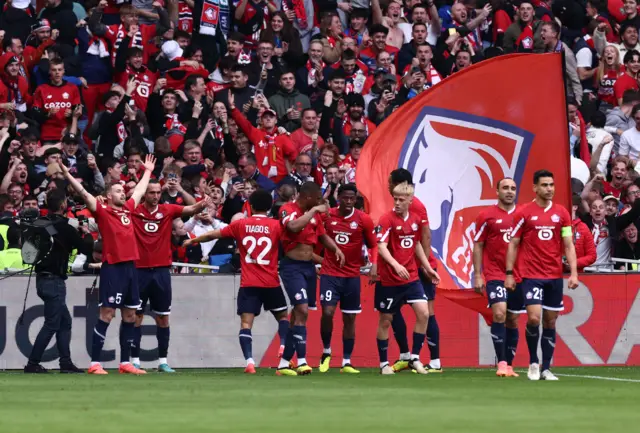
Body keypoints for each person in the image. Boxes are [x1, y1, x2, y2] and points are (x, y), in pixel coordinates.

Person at [60, 155, 156, 375]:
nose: (123, 193)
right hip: (113, 267)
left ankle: (125, 362)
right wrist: (67, 175)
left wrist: (148, 171)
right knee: (107, 314)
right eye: (118, 191)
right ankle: (95, 363)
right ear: (108, 196)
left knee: (130, 315)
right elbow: (84, 194)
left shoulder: (128, 210)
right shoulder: (103, 211)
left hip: (131, 267)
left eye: (123, 191)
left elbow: (140, 191)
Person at [184, 189, 289, 374]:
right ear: (270, 206)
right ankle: (283, 349)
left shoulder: (240, 225)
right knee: (282, 317)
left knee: (246, 324)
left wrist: (193, 240)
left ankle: (249, 362)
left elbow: (212, 235)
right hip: (271, 281)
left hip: (249, 283)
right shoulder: (276, 226)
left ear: (250, 206)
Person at [129, 180, 212, 372]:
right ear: (145, 194)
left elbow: (190, 209)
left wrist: (203, 202)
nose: (156, 196)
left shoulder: (167, 209)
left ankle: (162, 361)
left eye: (158, 192)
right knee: (136, 317)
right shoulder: (134, 211)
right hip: (139, 270)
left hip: (161, 271)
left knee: (163, 318)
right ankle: (134, 360)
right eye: (151, 193)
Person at [505, 169, 579, 381]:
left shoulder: (562, 214)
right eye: (545, 185)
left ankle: (546, 368)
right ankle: (533, 363)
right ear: (535, 188)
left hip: (554, 276)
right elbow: (513, 243)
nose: (549, 189)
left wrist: (573, 273)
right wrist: (509, 273)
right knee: (534, 318)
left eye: (551, 185)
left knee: (550, 321)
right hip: (531, 275)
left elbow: (568, 244)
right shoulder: (524, 212)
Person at [276, 181, 345, 376]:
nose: (320, 203)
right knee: (302, 310)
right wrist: (314, 209)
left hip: (308, 268)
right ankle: (302, 361)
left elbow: (322, 236)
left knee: (298, 316)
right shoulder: (288, 209)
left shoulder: (314, 217)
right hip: (292, 267)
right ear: (308, 198)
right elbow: (293, 226)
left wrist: (336, 249)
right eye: (316, 199)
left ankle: (283, 363)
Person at [25, 189, 94, 373]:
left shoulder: (39, 223)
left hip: (41, 278)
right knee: (52, 323)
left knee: (64, 322)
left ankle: (65, 363)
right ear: (63, 205)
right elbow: (86, 248)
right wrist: (86, 233)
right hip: (55, 281)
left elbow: (28, 252)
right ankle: (33, 363)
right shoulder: (66, 227)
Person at [375, 182, 438, 375]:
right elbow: (381, 246)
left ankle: (415, 358)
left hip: (411, 277)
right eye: (395, 199)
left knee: (424, 313)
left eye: (402, 199)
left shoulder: (416, 220)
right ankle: (384, 364)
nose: (397, 203)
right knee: (386, 320)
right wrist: (395, 265)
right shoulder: (386, 219)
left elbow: (416, 244)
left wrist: (427, 268)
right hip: (390, 279)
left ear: (411, 200)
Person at [318, 184, 377, 374]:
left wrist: (374, 263)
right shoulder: (328, 216)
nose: (349, 202)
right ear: (339, 196)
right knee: (327, 312)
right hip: (329, 273)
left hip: (352, 275)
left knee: (350, 318)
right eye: (345, 198)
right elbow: (317, 236)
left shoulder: (363, 220)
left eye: (352, 198)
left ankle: (346, 361)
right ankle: (326, 351)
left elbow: (373, 245)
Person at [472, 178, 522, 377]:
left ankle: (509, 365)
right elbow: (478, 245)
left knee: (513, 319)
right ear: (497, 191)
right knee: (499, 313)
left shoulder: (522, 216)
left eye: (513, 188)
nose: (509, 191)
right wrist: (478, 274)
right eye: (506, 188)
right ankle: (501, 363)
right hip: (494, 273)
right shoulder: (486, 216)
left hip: (518, 274)